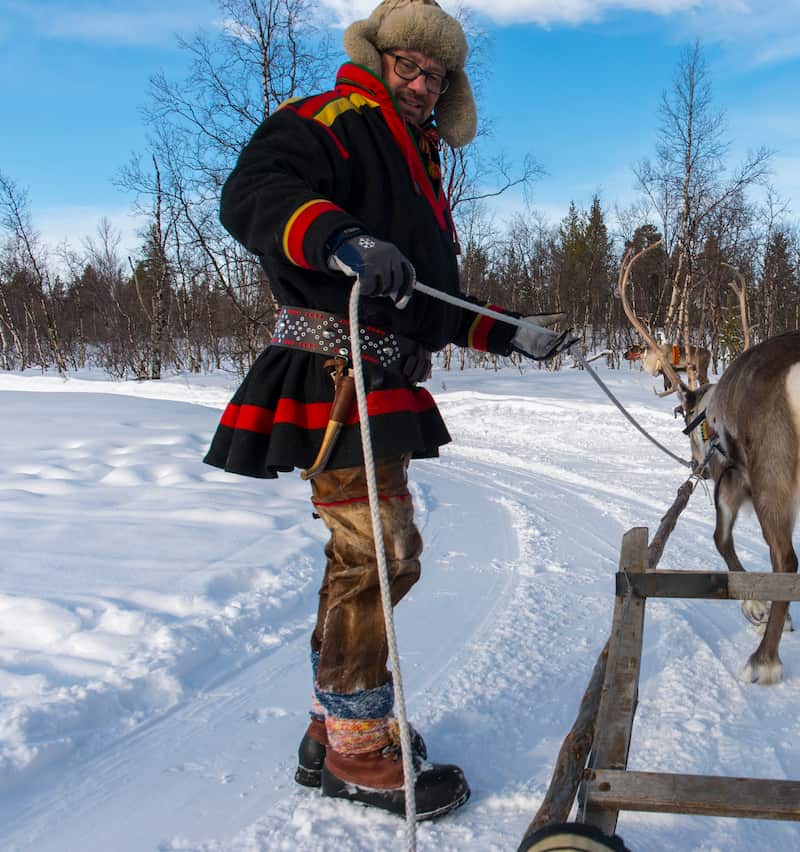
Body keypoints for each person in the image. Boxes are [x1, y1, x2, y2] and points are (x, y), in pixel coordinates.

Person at [203, 0, 573, 821]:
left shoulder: (422, 165)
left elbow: (427, 301)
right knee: (377, 552)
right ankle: (355, 750)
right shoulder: (329, 120)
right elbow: (253, 192)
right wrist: (335, 236)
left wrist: (514, 334)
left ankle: (330, 724)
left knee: (377, 557)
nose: (419, 83)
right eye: (409, 65)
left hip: (382, 379)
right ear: (379, 58)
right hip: (328, 374)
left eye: (435, 75)